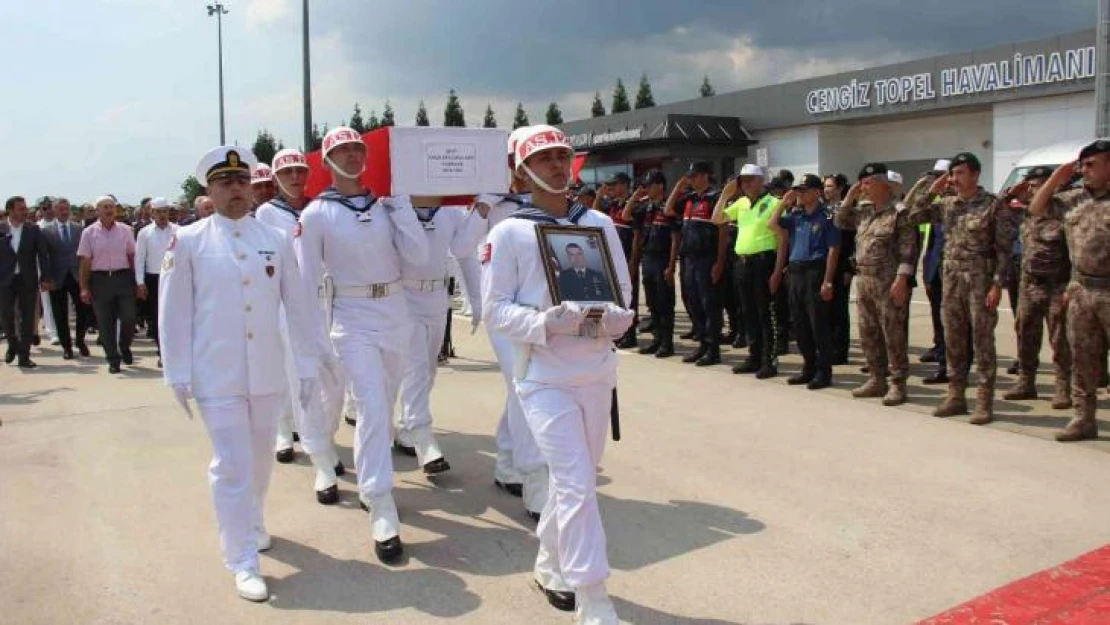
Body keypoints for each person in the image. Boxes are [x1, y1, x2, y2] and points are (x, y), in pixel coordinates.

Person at [482, 124, 632, 625]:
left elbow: (625, 300)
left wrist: (612, 319)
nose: (555, 165)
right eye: (544, 158)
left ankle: (550, 564)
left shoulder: (599, 225)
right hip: (542, 373)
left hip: (595, 369)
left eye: (562, 156)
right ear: (522, 170)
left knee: (578, 481)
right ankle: (594, 597)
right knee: (573, 483)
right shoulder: (507, 231)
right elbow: (494, 310)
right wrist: (543, 322)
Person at [160, 145, 319, 602]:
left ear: (252, 186)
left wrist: (307, 361)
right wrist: (177, 373)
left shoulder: (274, 237)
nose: (235, 190)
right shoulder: (189, 241)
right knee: (231, 463)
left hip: (266, 369)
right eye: (225, 182)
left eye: (241, 181)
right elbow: (174, 313)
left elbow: (300, 305)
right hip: (217, 373)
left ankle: (251, 521)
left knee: (260, 459)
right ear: (208, 189)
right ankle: (242, 558)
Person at [295, 126, 429, 563]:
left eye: (357, 149)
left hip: (394, 312)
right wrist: (311, 338)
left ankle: (375, 479)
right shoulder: (317, 213)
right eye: (342, 150)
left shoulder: (387, 206)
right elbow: (305, 278)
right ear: (327, 160)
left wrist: (404, 209)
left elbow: (420, 258)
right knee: (371, 404)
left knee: (385, 404)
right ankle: (380, 499)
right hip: (351, 318)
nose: (353, 156)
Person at [255, 147, 347, 502]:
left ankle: (325, 435)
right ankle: (320, 458)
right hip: (290, 306)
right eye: (287, 172)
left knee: (337, 379)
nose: (295, 177)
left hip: (330, 302)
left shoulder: (322, 207)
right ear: (276, 178)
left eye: (299, 171)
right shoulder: (266, 214)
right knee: (301, 380)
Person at [473, 126, 549, 521]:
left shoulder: (554, 205)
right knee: (524, 386)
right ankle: (535, 482)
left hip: (545, 314)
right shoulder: (494, 205)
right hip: (505, 311)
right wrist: (483, 205)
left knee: (519, 388)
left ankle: (506, 461)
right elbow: (463, 246)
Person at [910, 153, 1017, 424]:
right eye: (952, 174)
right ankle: (956, 396)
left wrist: (997, 284)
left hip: (980, 281)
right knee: (954, 340)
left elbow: (1005, 250)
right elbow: (913, 215)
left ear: (975, 175)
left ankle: (984, 401)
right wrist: (931, 190)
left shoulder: (993, 205)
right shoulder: (947, 204)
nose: (954, 179)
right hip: (952, 280)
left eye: (959, 173)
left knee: (982, 342)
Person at [1026, 139, 1110, 442]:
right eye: (1082, 165)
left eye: (1092, 165)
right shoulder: (1072, 199)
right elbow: (1036, 208)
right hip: (1081, 289)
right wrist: (1056, 178)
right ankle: (1084, 419)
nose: (1084, 171)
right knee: (1082, 357)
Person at [395, 197, 486, 474]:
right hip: (402, 296)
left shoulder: (450, 211)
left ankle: (407, 427)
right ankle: (424, 437)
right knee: (416, 369)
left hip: (436, 297)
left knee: (429, 368)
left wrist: (476, 298)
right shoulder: (394, 208)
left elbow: (465, 255)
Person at [834, 164, 918, 406]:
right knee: (868, 332)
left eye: (869, 182)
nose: (864, 187)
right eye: (862, 183)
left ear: (884, 184)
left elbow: (908, 251)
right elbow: (840, 222)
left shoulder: (899, 213)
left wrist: (902, 280)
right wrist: (849, 197)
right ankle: (876, 378)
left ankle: (897, 383)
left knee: (893, 334)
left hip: (889, 281)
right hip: (865, 279)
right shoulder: (864, 211)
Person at [1002, 166, 1071, 408]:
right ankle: (1026, 382)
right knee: (1026, 334)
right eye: (1029, 185)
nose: (1031, 190)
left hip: (1057, 284)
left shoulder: (1064, 209)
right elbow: (994, 211)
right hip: (1029, 283)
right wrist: (1012, 193)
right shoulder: (1026, 212)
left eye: (1037, 185)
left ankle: (1063, 387)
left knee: (1060, 338)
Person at [769, 174, 840, 389]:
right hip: (796, 273)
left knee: (818, 325)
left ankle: (823, 371)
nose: (799, 193)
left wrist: (828, 281)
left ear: (817, 192)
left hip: (815, 272)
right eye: (798, 190)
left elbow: (833, 249)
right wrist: (784, 202)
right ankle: (808, 367)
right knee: (800, 325)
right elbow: (771, 224)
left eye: (804, 190)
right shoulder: (796, 215)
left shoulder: (827, 217)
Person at [715, 164, 781, 377]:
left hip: (763, 261)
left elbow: (782, 238)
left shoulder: (774, 203)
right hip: (743, 262)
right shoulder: (741, 203)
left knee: (765, 312)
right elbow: (717, 219)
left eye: (751, 179)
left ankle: (768, 360)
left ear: (761, 181)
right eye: (743, 180)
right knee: (748, 311)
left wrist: (779, 270)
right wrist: (725, 194)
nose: (746, 184)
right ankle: (754, 356)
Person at [666, 161, 725, 366]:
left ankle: (713, 349)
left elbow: (723, 232)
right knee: (693, 302)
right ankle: (702, 345)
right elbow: (668, 209)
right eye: (689, 177)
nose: (691, 180)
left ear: (705, 176)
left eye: (694, 176)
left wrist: (719, 261)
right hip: (689, 258)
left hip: (706, 258)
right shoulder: (689, 199)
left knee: (709, 304)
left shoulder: (715, 198)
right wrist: (678, 187)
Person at [78, 195, 139, 373]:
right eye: (104, 207)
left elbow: (131, 256)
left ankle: (124, 345)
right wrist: (83, 287)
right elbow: (85, 261)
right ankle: (113, 358)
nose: (109, 210)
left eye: (111, 206)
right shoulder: (88, 233)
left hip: (123, 278)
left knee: (129, 317)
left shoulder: (126, 230)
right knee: (105, 322)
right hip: (100, 280)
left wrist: (137, 281)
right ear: (97, 211)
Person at [623, 169, 680, 358]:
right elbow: (626, 215)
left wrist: (671, 265)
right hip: (647, 259)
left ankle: (667, 343)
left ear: (660, 186)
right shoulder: (645, 208)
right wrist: (635, 196)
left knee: (665, 303)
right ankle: (657, 340)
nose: (646, 188)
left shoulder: (668, 207)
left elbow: (675, 238)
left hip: (662, 259)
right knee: (652, 303)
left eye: (649, 185)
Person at [1, 196, 52, 368]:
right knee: (6, 315)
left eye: (25, 208)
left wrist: (45, 277)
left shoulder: (33, 230)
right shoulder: (1, 228)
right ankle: (12, 344)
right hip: (4, 280)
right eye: (21, 209)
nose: (25, 211)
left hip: (27, 278)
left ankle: (24, 355)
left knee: (28, 317)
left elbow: (43, 255)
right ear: (10, 210)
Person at [42, 198, 92, 359]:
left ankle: (80, 340)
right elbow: (44, 257)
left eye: (66, 209)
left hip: (77, 276)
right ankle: (67, 347)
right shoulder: (46, 231)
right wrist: (46, 278)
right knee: (60, 313)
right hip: (57, 278)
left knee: (83, 311)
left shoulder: (80, 229)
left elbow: (86, 254)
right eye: (60, 209)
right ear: (54, 211)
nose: (64, 212)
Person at [594, 172, 637, 348]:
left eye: (615, 184)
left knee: (629, 298)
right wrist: (599, 195)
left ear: (625, 185)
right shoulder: (613, 204)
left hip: (627, 256)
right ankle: (621, 334)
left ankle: (631, 334)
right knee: (615, 296)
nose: (612, 188)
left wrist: (634, 260)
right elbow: (595, 212)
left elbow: (637, 236)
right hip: (613, 256)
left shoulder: (633, 204)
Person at [134, 197, 178, 367]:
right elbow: (139, 259)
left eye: (164, 211)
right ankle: (162, 352)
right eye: (158, 212)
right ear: (152, 213)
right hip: (153, 279)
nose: (162, 215)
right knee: (157, 317)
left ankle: (174, 351)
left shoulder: (178, 230)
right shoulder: (144, 233)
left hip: (174, 277)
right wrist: (140, 282)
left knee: (174, 316)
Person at [823, 174, 854, 365]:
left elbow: (851, 242)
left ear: (841, 188)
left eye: (830, 186)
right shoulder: (822, 208)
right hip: (825, 264)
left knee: (839, 310)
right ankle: (828, 347)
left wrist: (850, 269)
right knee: (826, 310)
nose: (827, 190)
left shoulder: (848, 210)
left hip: (841, 265)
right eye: (825, 186)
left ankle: (840, 351)